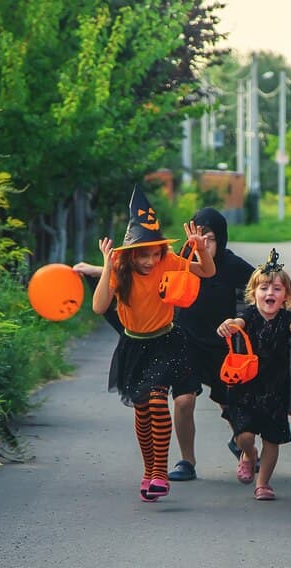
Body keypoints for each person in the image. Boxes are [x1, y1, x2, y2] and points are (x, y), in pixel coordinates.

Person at [78, 207, 291, 482]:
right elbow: (139, 271)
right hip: (185, 342)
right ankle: (187, 460)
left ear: (221, 239)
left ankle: (243, 446)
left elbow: (267, 283)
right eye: (198, 237)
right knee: (183, 401)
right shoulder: (177, 258)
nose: (203, 243)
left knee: (232, 404)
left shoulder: (230, 265)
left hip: (223, 346)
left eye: (209, 238)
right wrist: (97, 268)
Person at [91, 186, 215, 502]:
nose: (149, 260)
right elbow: (99, 306)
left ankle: (160, 472)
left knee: (159, 400)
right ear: (130, 253)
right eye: (143, 255)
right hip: (134, 346)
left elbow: (207, 271)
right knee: (142, 410)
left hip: (165, 341)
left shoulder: (169, 260)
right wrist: (107, 265)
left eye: (154, 253)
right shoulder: (120, 270)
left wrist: (200, 249)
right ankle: (148, 471)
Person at [215, 249, 291, 500]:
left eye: (277, 289)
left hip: (275, 389)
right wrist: (229, 324)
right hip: (245, 387)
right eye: (264, 289)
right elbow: (238, 323)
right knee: (245, 435)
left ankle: (263, 483)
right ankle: (248, 454)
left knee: (272, 439)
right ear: (254, 293)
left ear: (286, 297)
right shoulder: (248, 315)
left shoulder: (286, 318)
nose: (270, 293)